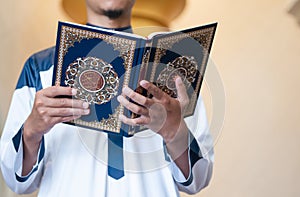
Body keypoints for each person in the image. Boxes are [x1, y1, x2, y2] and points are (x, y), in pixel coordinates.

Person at [0, 0, 214, 196]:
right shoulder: (40, 69)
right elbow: (18, 182)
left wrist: (174, 132)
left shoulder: (174, 70)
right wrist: (31, 132)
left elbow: (198, 180)